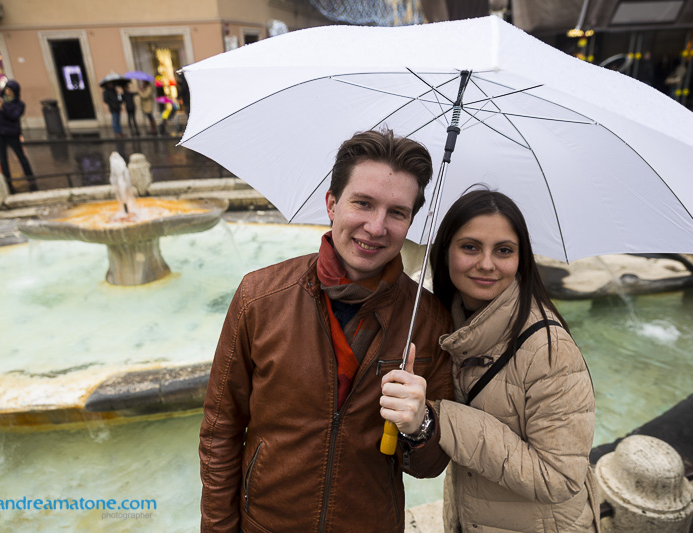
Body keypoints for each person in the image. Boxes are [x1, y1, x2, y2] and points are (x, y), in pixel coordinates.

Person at [199, 129, 454, 532]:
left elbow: (430, 467)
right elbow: (220, 431)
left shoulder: (428, 319)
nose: (376, 226)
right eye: (363, 203)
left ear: (410, 221)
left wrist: (419, 424)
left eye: (397, 212)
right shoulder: (259, 297)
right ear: (332, 204)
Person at [429, 189, 600, 532]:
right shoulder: (452, 324)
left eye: (503, 250)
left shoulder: (550, 351)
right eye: (470, 247)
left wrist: (444, 418)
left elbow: (560, 477)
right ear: (446, 250)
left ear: (521, 258)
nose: (487, 264)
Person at [0, 80, 37, 192]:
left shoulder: (19, 104)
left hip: (11, 133)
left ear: (15, 92)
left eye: (10, 90)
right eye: (7, 89)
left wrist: (2, 108)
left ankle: (30, 178)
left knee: (21, 156)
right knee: (3, 158)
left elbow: (14, 116)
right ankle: (7, 181)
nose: (8, 92)